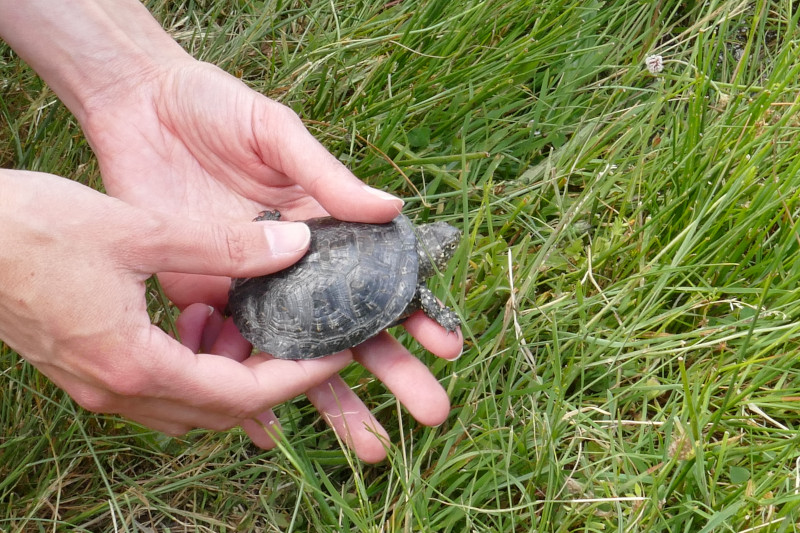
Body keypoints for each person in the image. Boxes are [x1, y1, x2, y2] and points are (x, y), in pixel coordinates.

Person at [0, 0, 462, 464]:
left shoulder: (391, 248)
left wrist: (138, 81)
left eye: (442, 242)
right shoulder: (407, 283)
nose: (447, 242)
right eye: (444, 243)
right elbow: (412, 295)